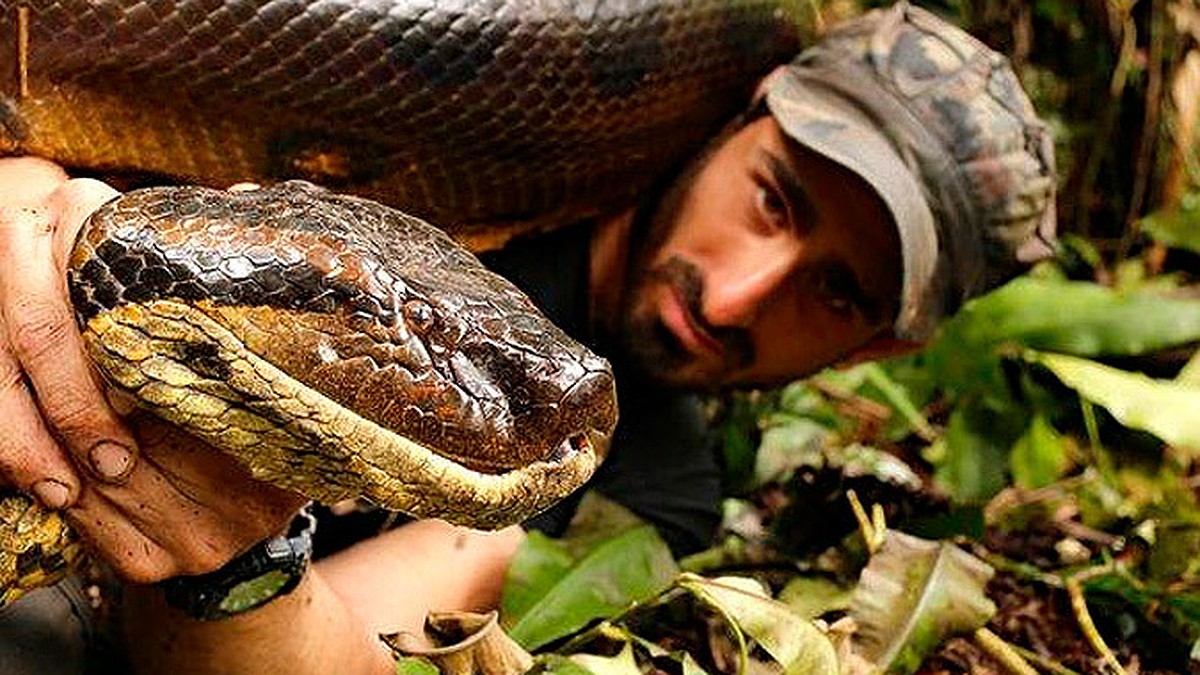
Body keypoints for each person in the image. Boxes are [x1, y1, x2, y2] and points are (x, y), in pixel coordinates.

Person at [0, 4, 1056, 674]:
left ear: (874, 352)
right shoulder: (401, 125)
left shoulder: (643, 482)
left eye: (835, 293)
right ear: (739, 110)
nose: (735, 298)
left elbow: (338, 653)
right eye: (777, 201)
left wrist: (234, 557)